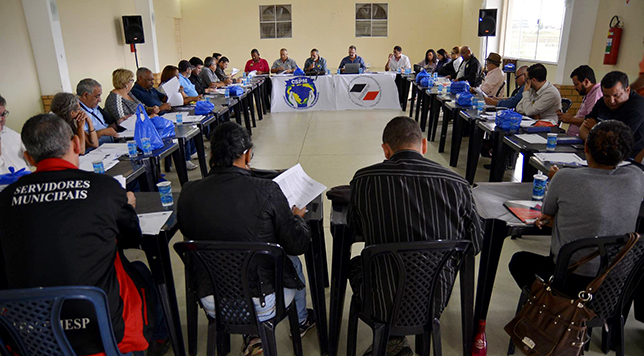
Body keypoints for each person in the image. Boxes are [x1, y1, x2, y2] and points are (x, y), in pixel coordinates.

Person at [0, 113, 169, 356]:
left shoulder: (5, 199)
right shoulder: (105, 189)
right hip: (102, 330)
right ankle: (158, 341)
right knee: (138, 271)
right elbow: (132, 238)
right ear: (77, 145)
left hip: (30, 335)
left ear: (28, 157)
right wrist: (127, 207)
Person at [177, 122, 316, 356]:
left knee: (231, 255)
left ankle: (252, 336)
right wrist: (296, 219)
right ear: (248, 154)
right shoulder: (268, 190)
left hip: (213, 299)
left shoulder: (189, 192)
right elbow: (298, 244)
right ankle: (300, 322)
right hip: (262, 300)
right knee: (291, 260)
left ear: (212, 155)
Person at [348, 117, 483, 356]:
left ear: (386, 150)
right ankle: (399, 340)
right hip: (433, 300)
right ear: (423, 145)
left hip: (379, 300)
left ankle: (391, 339)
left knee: (357, 263)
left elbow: (353, 228)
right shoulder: (458, 184)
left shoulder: (364, 180)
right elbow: (476, 243)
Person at [509, 120, 644, 297]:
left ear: (586, 147)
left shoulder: (564, 177)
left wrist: (556, 180)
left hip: (572, 278)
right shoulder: (637, 176)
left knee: (518, 261)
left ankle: (550, 304)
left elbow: (548, 213)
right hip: (616, 282)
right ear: (625, 153)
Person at [580, 71, 644, 158]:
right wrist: (592, 142)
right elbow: (583, 127)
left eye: (616, 95)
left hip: (628, 158)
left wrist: (596, 128)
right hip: (600, 152)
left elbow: (617, 141)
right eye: (606, 96)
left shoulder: (637, 108)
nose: (611, 101)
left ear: (627, 90)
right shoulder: (602, 101)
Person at [557, 65, 602, 136]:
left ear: (586, 82)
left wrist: (570, 119)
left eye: (576, 84)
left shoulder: (596, 94)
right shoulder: (589, 93)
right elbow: (584, 116)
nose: (575, 88)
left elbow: (589, 121)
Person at [76, 79, 119, 145]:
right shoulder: (78, 112)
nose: (100, 100)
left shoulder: (94, 107)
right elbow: (85, 141)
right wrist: (102, 132)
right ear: (85, 95)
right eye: (97, 96)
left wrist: (117, 123)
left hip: (110, 143)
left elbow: (104, 127)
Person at [0, 95, 29, 175]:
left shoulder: (13, 134)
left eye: (3, 114)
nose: (2, 119)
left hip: (25, 182)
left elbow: (30, 161)